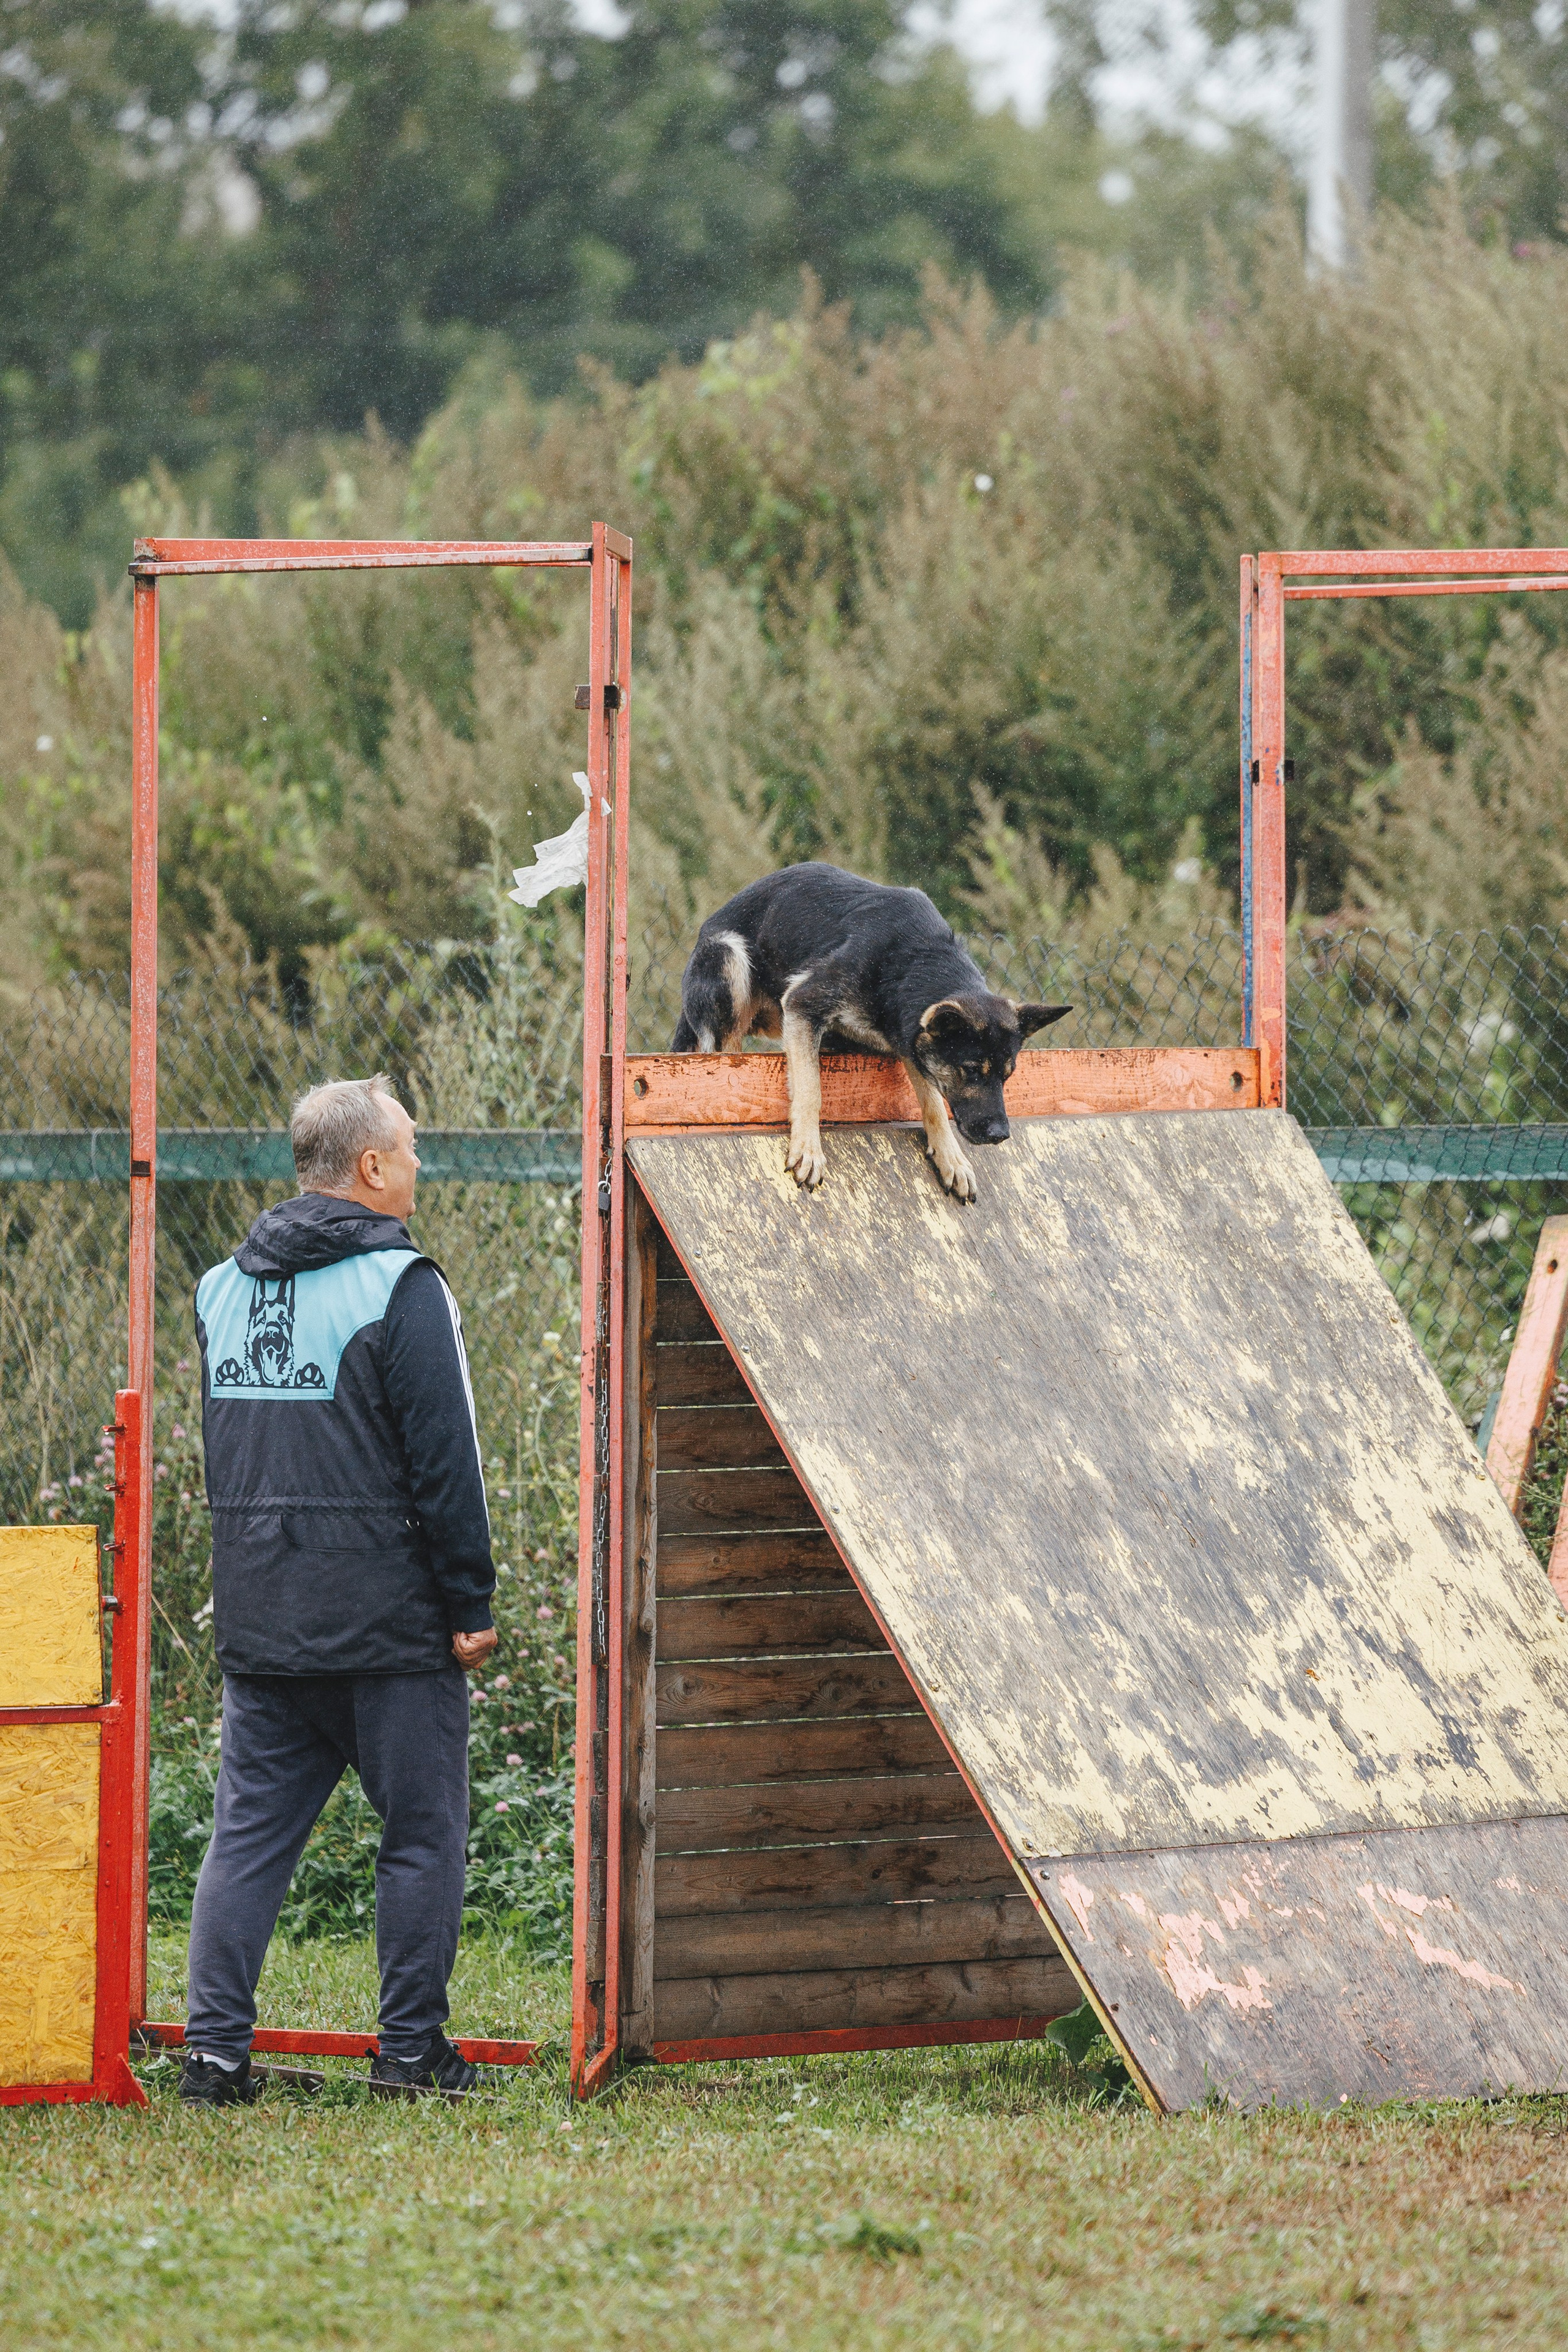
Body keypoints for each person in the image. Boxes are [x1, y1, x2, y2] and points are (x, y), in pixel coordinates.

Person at [180, 1074, 498, 2106]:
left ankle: (214, 2058)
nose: (419, 1164)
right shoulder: (402, 1287)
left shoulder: (218, 1289)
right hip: (391, 1629)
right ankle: (410, 2058)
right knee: (420, 1839)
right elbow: (448, 1460)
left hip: (264, 1619)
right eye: (409, 1149)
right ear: (370, 1168)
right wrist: (470, 1604)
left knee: (247, 1841)